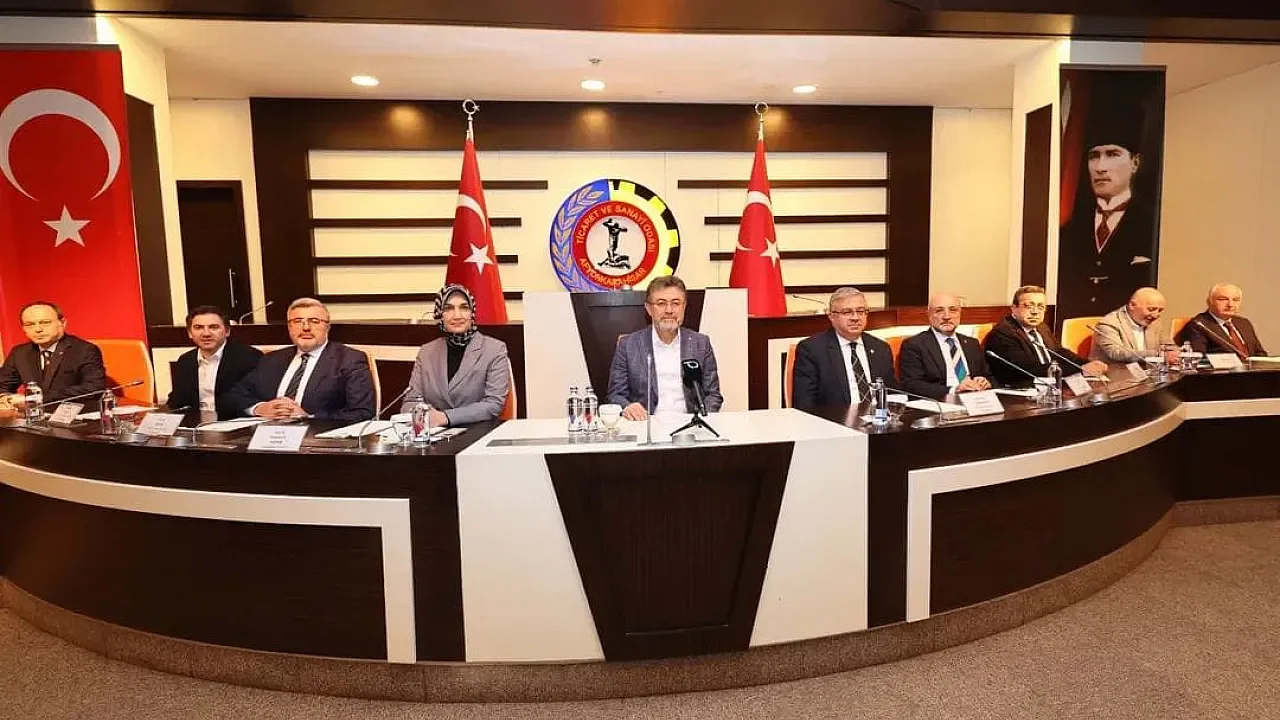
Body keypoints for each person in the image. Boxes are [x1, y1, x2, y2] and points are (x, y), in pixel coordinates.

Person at [1057, 101, 1158, 321]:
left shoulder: (1152, 225)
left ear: (1135, 162)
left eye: (1112, 154)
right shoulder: (1069, 230)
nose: (1100, 167)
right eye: (1094, 156)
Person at [222, 298, 374, 422]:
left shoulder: (349, 360)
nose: (306, 327)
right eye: (297, 321)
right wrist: (260, 408)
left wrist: (308, 417)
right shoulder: (271, 360)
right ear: (289, 327)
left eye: (314, 321)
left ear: (327, 327)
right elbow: (233, 396)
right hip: (268, 437)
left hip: (318, 440)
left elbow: (362, 412)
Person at [608, 275, 723, 420]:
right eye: (661, 303)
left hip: (690, 425)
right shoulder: (628, 345)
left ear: (684, 307)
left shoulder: (701, 343)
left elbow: (713, 395)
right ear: (648, 309)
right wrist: (627, 407)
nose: (669, 310)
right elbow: (615, 395)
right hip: (646, 425)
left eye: (676, 303)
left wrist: (701, 419)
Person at [401, 284, 511, 427]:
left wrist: (446, 417)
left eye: (464, 308)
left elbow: (493, 405)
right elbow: (410, 402)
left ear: (472, 313)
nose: (457, 315)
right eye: (449, 308)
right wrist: (427, 415)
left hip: (477, 432)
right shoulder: (427, 352)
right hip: (434, 434)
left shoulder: (494, 349)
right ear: (439, 314)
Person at [791, 287, 897, 411]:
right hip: (833, 420)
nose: (855, 317)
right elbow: (804, 404)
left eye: (861, 311)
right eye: (847, 312)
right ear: (831, 316)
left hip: (878, 419)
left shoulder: (881, 348)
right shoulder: (812, 350)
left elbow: (893, 395)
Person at [983, 285, 1107, 386]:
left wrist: (1088, 364)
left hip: (1049, 384)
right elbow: (1027, 369)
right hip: (1021, 389)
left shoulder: (1042, 327)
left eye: (1040, 307)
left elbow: (1060, 352)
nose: (1035, 312)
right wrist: (1080, 369)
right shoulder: (1003, 333)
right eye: (1029, 306)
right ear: (1014, 308)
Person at [0, 301, 106, 410]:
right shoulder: (19, 352)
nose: (38, 329)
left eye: (45, 322)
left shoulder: (85, 350)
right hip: (34, 416)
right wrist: (5, 398)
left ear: (62, 323)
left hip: (76, 415)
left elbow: (94, 388)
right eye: (29, 324)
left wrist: (37, 399)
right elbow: (3, 385)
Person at [164, 305, 263, 421]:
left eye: (214, 327)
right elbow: (176, 401)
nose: (206, 333)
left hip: (234, 424)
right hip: (195, 425)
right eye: (198, 328)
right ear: (190, 333)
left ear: (227, 331)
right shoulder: (185, 360)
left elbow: (252, 401)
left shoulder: (249, 358)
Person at [899, 293, 992, 400]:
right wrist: (953, 390)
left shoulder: (972, 344)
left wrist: (985, 382)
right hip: (941, 402)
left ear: (960, 313)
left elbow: (989, 376)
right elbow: (911, 385)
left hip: (975, 400)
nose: (947, 317)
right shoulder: (915, 345)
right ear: (929, 314)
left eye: (953, 310)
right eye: (939, 311)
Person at [1090, 287, 1178, 366]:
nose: (1155, 315)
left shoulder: (1154, 322)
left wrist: (1174, 354)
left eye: (1160, 310)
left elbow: (1169, 346)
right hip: (1114, 374)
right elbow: (1117, 353)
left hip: (1148, 373)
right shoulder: (1109, 323)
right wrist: (1158, 354)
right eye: (1151, 309)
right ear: (1132, 305)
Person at [1175, 283, 1268, 357]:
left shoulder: (1244, 323)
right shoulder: (1198, 325)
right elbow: (1199, 360)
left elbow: (1260, 354)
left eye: (1236, 300)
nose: (1230, 304)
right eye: (1223, 299)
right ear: (1209, 302)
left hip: (1253, 373)